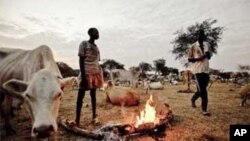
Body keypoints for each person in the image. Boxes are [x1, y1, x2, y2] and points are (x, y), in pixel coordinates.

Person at [68, 28, 103, 126]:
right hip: (86, 73)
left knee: (93, 95)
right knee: (80, 96)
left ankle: (94, 117)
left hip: (95, 74)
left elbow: (96, 61)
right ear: (90, 33)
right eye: (96, 32)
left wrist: (99, 72)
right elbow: (81, 60)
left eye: (98, 32)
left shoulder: (96, 47)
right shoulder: (84, 44)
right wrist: (83, 76)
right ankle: (77, 120)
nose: (97, 33)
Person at [188, 29, 212, 116]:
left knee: (201, 90)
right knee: (203, 90)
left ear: (204, 35)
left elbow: (209, 57)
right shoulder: (193, 46)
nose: (201, 36)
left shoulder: (207, 44)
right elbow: (189, 59)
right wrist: (199, 58)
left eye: (202, 34)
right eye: (199, 35)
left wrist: (207, 54)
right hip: (197, 71)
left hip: (206, 69)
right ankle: (204, 109)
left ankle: (193, 99)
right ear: (197, 36)